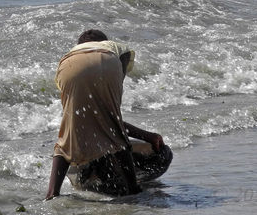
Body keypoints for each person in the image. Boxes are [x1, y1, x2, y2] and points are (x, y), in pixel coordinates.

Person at [46, 29, 171, 199]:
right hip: (108, 61)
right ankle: (132, 188)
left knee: (67, 137)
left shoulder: (73, 53)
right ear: (102, 41)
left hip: (68, 66)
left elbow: (99, 120)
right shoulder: (109, 48)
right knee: (115, 128)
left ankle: (52, 193)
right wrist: (148, 136)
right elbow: (111, 121)